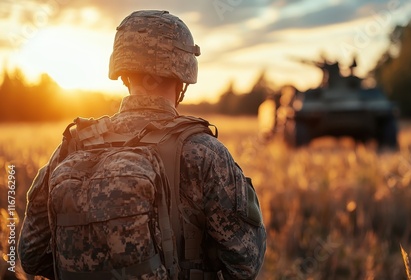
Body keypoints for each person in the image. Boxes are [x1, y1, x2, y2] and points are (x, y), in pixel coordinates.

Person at [18, 10, 266, 279]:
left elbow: (31, 255)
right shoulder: (204, 152)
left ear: (123, 73)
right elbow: (245, 262)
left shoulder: (73, 146)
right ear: (183, 75)